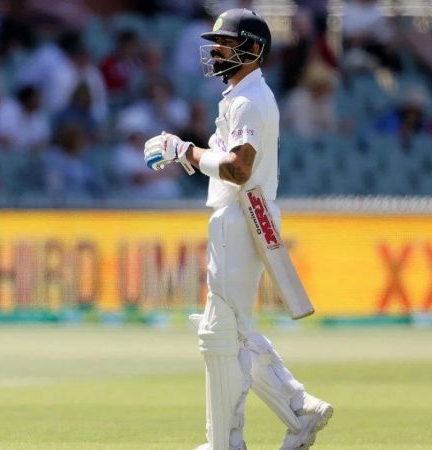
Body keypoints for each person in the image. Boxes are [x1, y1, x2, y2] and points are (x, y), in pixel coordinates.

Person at [142, 9, 332, 450]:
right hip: (246, 216)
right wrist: (187, 154)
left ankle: (228, 441)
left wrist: (184, 151)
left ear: (251, 49)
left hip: (241, 216)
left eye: (225, 43)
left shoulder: (249, 100)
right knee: (229, 331)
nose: (216, 51)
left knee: (222, 335)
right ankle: (298, 410)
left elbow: (238, 169)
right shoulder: (240, 96)